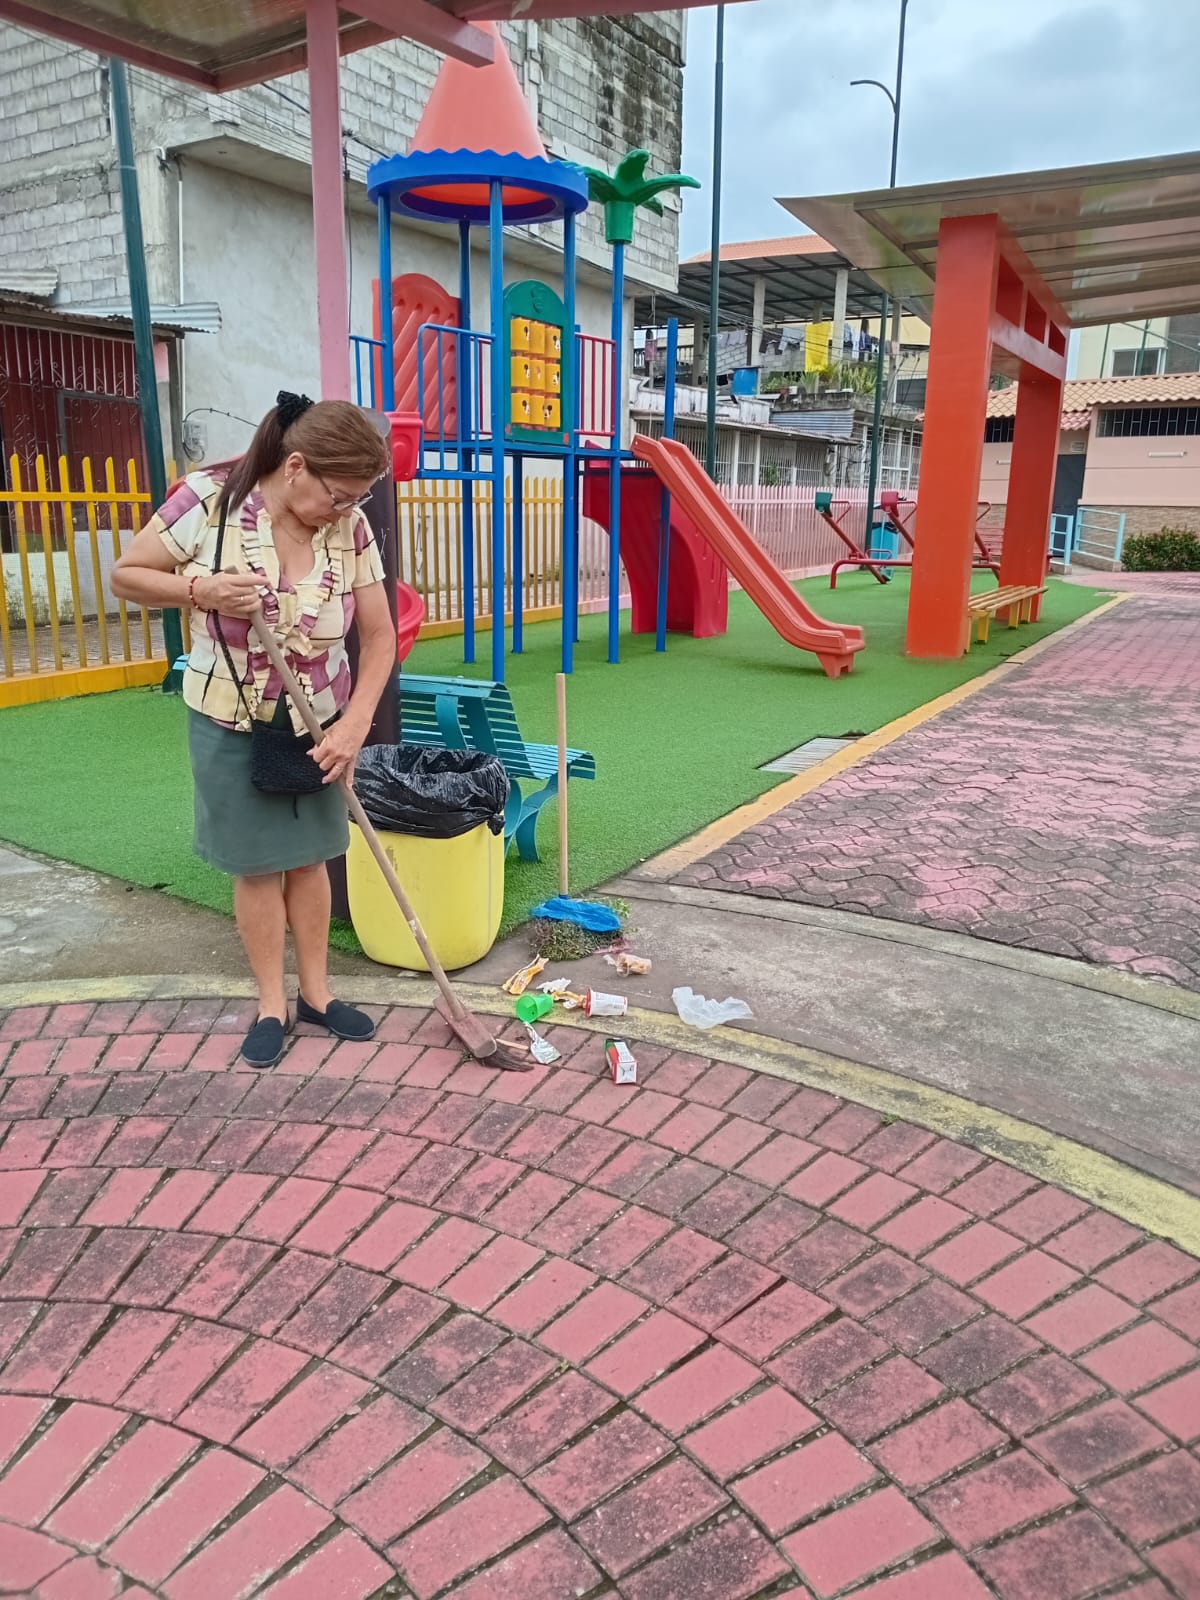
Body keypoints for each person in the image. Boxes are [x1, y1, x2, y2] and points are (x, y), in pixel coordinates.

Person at [111, 392, 397, 1068]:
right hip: (230, 718)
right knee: (258, 866)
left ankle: (318, 995)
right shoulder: (209, 500)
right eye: (338, 495)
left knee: (312, 856)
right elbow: (126, 575)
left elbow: (380, 635)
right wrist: (200, 591)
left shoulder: (349, 529)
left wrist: (355, 725)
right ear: (296, 467)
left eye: (357, 498)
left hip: (320, 722)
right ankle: (272, 1003)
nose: (346, 509)